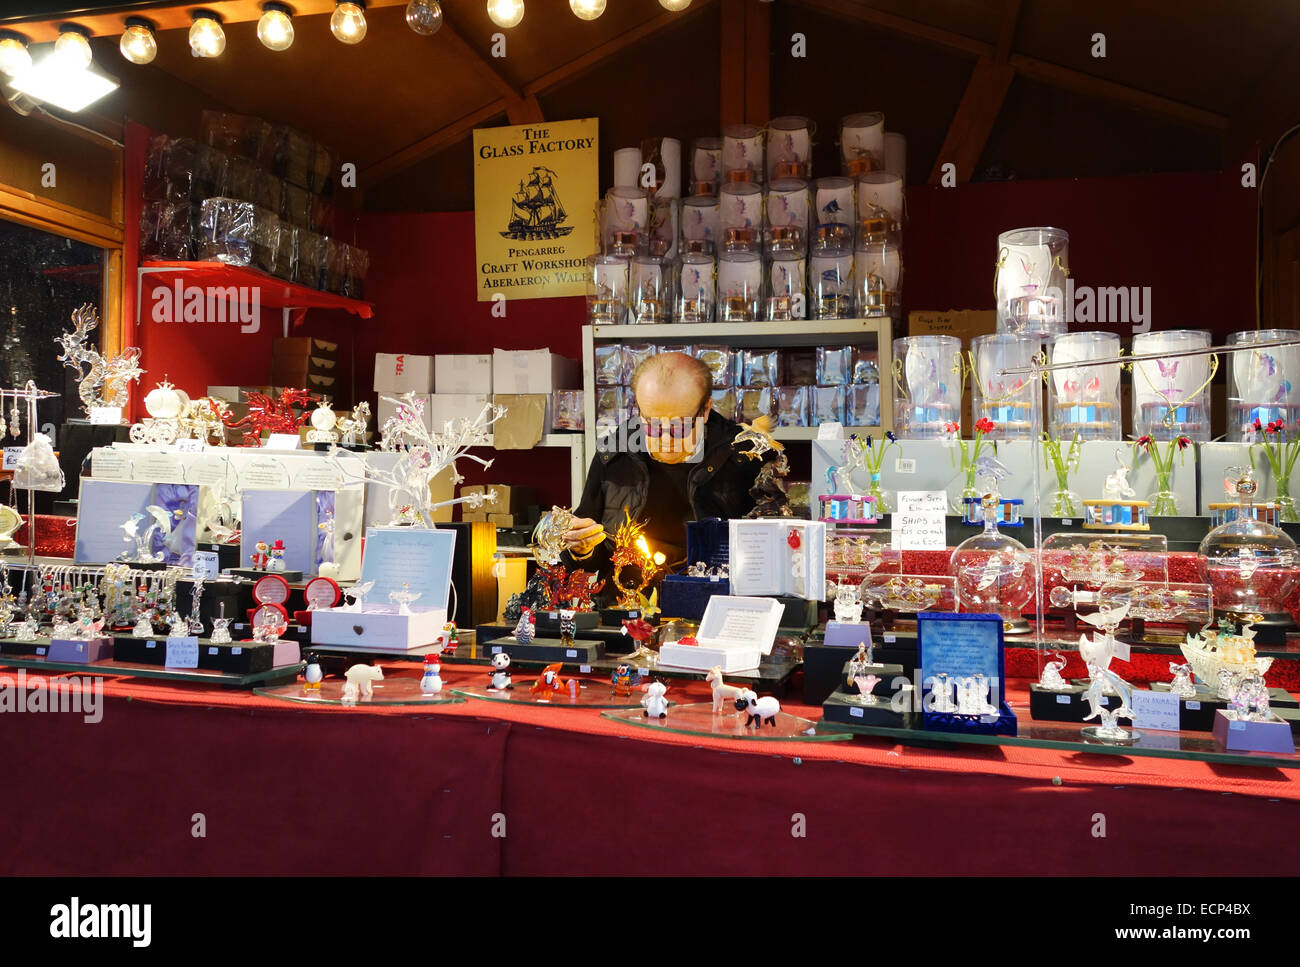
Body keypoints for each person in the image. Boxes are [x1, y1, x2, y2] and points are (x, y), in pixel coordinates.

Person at [561, 351, 783, 581]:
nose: (665, 439)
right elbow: (585, 554)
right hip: (625, 604)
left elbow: (769, 555)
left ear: (705, 410)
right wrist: (581, 549)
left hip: (713, 604)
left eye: (679, 427)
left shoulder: (745, 456)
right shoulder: (614, 454)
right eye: (652, 425)